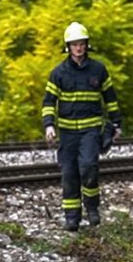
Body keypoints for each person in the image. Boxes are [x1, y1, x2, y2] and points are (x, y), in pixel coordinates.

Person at [42, 22, 122, 231]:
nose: (78, 48)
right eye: (74, 44)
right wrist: (49, 126)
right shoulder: (58, 73)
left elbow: (110, 99)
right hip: (67, 133)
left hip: (90, 130)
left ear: (87, 45)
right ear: (68, 47)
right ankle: (72, 218)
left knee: (88, 168)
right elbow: (49, 102)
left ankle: (92, 210)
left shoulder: (98, 70)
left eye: (81, 44)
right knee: (69, 174)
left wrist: (116, 124)